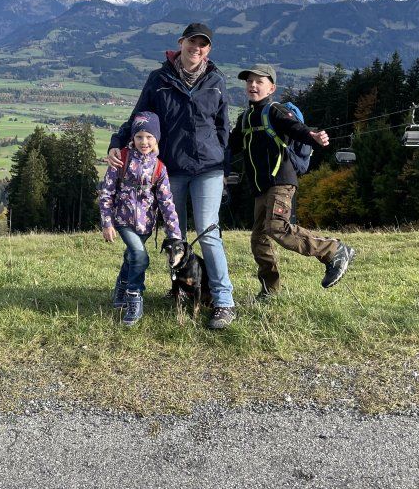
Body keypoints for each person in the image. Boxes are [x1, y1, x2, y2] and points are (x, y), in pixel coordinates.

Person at [107, 22, 236, 330]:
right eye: (193, 42)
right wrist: (117, 141)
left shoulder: (216, 79)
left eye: (204, 44)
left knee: (207, 232)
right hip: (172, 168)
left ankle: (223, 301)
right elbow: (138, 117)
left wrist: (226, 173)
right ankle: (178, 288)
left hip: (208, 167)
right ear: (181, 43)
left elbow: (224, 128)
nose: (198, 48)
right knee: (174, 234)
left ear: (209, 49)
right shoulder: (159, 78)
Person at [229, 62, 356, 299]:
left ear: (271, 88)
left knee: (277, 227)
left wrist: (312, 136)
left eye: (259, 81)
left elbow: (294, 127)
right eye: (249, 81)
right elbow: (231, 146)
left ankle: (333, 250)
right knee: (259, 239)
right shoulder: (245, 117)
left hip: (281, 181)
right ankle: (270, 290)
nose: (253, 85)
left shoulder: (275, 110)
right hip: (260, 188)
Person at [98, 112, 182, 326]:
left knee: (132, 257)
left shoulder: (159, 168)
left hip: (146, 224)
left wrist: (175, 236)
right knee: (140, 256)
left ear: (156, 139)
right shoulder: (122, 159)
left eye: (149, 137)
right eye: (139, 137)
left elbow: (166, 202)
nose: (144, 142)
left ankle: (121, 286)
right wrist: (107, 223)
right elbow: (106, 192)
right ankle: (134, 296)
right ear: (133, 138)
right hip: (123, 220)